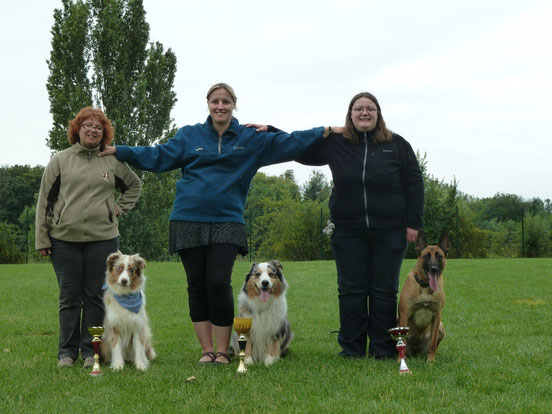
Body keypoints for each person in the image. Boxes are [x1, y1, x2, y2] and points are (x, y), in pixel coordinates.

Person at [98, 82, 333, 365]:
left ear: (234, 105)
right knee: (196, 285)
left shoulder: (251, 138)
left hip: (227, 220)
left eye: (225, 101)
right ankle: (207, 351)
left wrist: (325, 131)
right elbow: (157, 156)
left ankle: (223, 351)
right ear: (208, 104)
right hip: (187, 219)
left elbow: (292, 142)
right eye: (215, 101)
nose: (220, 106)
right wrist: (120, 151)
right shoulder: (190, 135)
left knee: (219, 283)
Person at [299, 92, 424, 359]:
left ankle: (383, 348)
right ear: (350, 114)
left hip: (390, 231)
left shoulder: (397, 144)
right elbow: (299, 149)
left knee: (384, 291)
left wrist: (413, 223)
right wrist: (323, 130)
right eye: (359, 109)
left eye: (370, 109)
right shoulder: (336, 144)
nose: (364, 113)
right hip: (347, 231)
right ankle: (352, 348)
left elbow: (414, 184)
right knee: (351, 290)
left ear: (378, 114)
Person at [35, 107, 142, 368]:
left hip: (103, 240)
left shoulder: (112, 162)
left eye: (98, 127)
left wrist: (116, 209)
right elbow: (45, 201)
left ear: (104, 134)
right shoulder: (60, 161)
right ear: (77, 130)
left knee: (95, 296)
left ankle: (89, 352)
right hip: (63, 240)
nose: (93, 130)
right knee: (69, 297)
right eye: (87, 126)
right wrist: (43, 239)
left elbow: (134, 185)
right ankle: (66, 353)